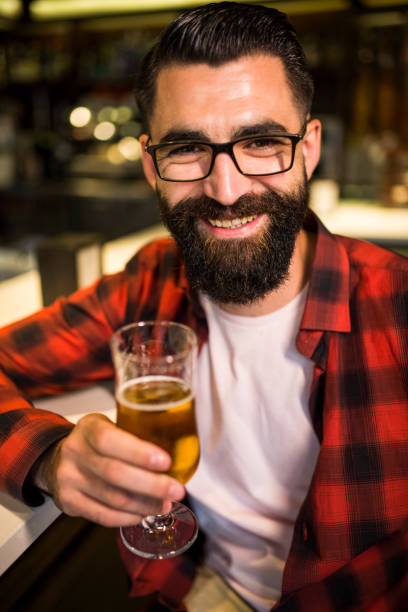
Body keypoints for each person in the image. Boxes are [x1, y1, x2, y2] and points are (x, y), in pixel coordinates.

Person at [0, 2, 407, 610]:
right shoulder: (150, 279)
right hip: (183, 589)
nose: (226, 189)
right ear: (150, 165)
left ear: (309, 148)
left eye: (263, 141)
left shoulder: (394, 305)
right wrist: (48, 458)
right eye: (187, 149)